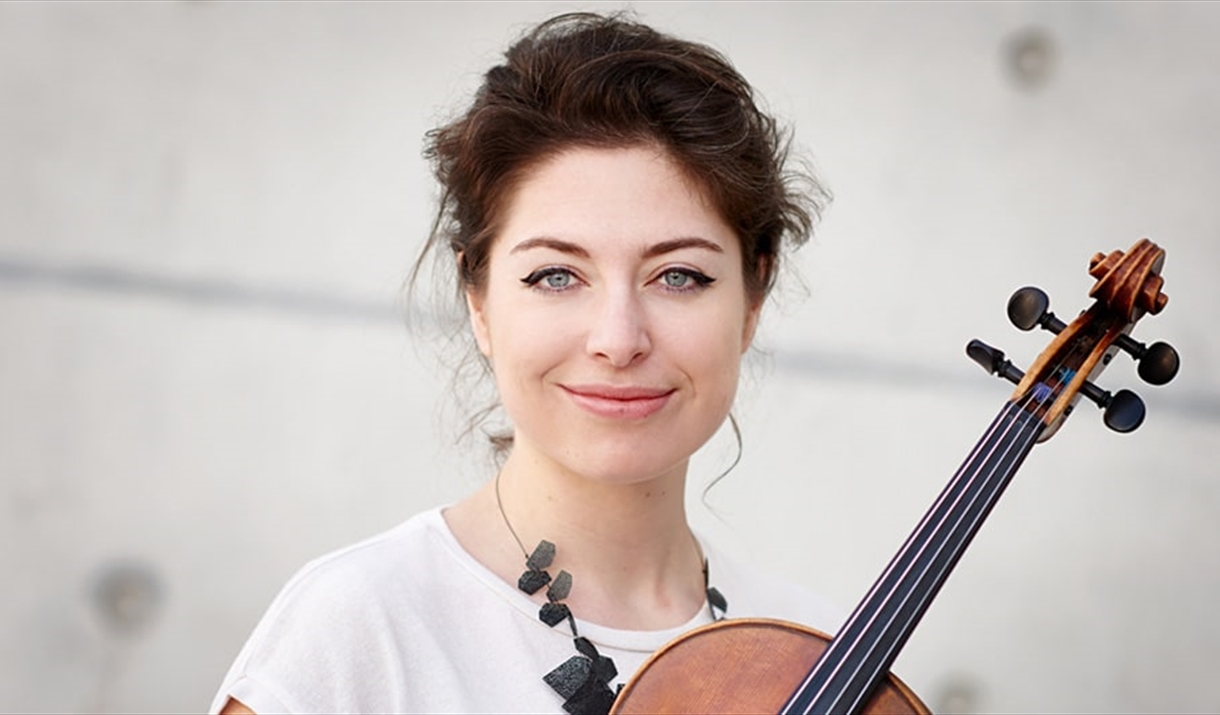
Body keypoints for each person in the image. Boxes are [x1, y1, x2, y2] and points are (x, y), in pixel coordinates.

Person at [212, 11, 840, 715]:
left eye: (679, 276)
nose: (618, 337)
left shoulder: (823, 651)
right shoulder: (360, 629)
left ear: (753, 298)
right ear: (478, 301)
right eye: (556, 276)